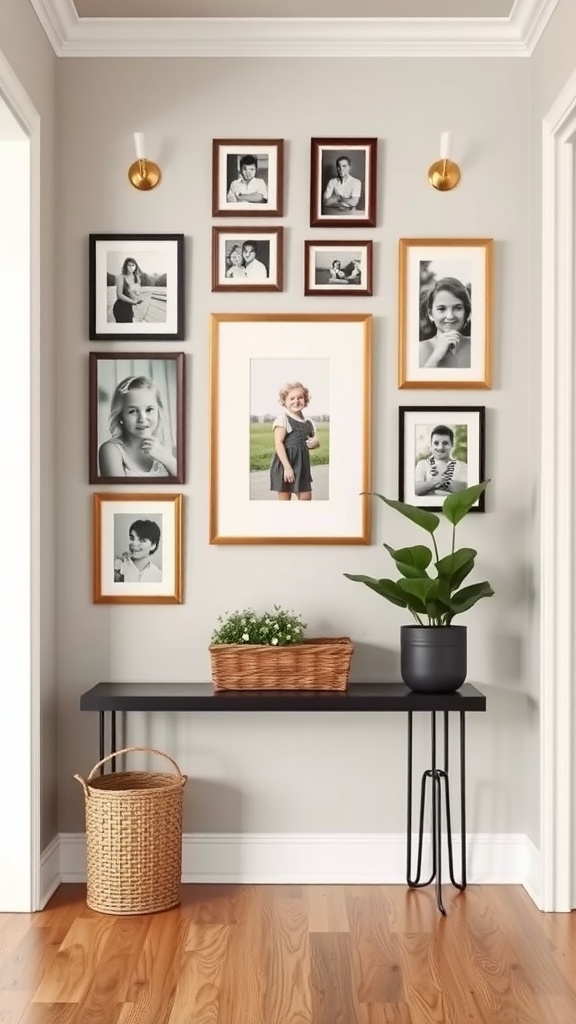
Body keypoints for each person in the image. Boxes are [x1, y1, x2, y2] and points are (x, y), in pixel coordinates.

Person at [98, 374, 177, 477]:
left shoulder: (169, 447)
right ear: (120, 416)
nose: (142, 419)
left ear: (158, 411)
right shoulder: (111, 450)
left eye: (149, 410)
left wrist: (167, 459)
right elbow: (119, 493)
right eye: (132, 411)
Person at [269, 382, 320, 501]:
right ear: (284, 401)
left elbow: (311, 441)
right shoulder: (283, 419)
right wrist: (287, 468)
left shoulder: (308, 422)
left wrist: (315, 443)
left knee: (306, 498)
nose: (296, 401)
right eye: (292, 398)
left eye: (300, 398)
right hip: (285, 464)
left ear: (305, 400)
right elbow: (279, 443)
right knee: (285, 501)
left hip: (302, 466)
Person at [419, 277, 472, 369]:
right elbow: (416, 383)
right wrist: (437, 354)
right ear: (431, 314)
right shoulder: (420, 349)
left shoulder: (477, 347)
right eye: (442, 309)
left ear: (466, 312)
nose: (450, 316)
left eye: (457, 308)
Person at [414, 425, 468, 496]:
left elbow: (468, 490)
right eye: (436, 443)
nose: (440, 447)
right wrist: (435, 482)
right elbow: (415, 490)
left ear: (452, 445)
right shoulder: (422, 464)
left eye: (445, 443)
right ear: (431, 445)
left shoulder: (462, 466)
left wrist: (433, 484)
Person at [112, 257, 144, 323]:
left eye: (133, 265)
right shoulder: (121, 277)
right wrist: (133, 302)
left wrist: (138, 281)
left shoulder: (135, 278)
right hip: (120, 307)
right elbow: (119, 295)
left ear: (136, 266)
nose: (131, 267)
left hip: (129, 308)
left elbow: (137, 294)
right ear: (125, 266)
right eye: (129, 265)